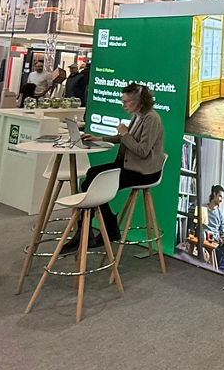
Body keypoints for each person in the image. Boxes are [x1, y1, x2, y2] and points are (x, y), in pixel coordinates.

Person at [64, 82, 165, 250]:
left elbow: (142, 150)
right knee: (91, 174)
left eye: (127, 102)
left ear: (140, 101)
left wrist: (125, 133)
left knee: (95, 182)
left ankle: (92, 230)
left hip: (144, 171)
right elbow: (126, 138)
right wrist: (99, 138)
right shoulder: (138, 115)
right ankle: (100, 228)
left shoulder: (151, 119)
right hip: (129, 166)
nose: (123, 105)